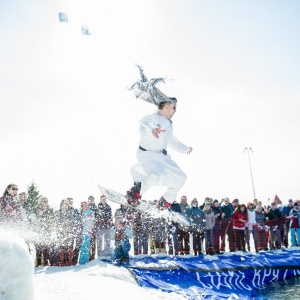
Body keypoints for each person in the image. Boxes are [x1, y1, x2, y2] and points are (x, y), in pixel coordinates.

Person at [126, 65, 193, 207]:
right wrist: (153, 130)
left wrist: (184, 148)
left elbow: (172, 141)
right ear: (167, 106)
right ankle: (135, 192)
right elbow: (145, 123)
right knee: (156, 176)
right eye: (174, 108)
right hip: (148, 155)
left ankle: (165, 202)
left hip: (162, 157)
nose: (175, 111)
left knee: (181, 177)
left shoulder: (169, 123)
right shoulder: (153, 117)